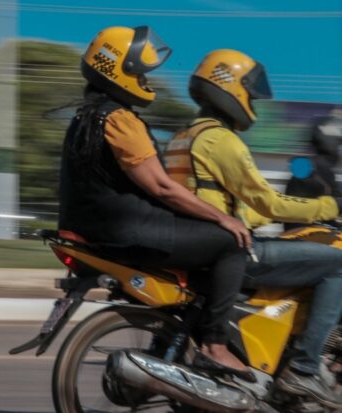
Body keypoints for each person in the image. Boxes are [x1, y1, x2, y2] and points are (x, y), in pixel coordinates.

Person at [165, 49, 342, 409]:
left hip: (196, 242)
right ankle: (305, 370)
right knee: (338, 263)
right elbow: (270, 203)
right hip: (226, 249)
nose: (253, 103)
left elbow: (228, 203)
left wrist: (273, 215)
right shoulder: (222, 141)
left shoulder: (182, 136)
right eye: (249, 94)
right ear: (229, 89)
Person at [57, 27, 254, 377]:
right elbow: (162, 188)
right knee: (229, 244)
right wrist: (223, 219)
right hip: (130, 231)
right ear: (119, 72)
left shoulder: (83, 118)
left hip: (96, 227)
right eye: (141, 72)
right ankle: (215, 344)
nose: (147, 80)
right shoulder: (120, 120)